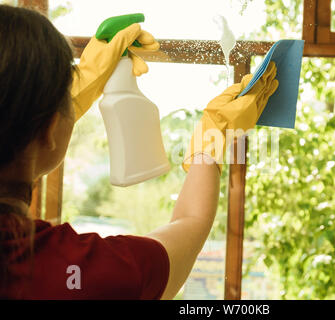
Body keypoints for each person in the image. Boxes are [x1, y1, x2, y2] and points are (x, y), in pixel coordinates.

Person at [0, 5, 278, 299]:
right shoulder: (82, 273)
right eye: (67, 100)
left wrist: (44, 106)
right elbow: (191, 224)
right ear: (48, 129)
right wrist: (213, 136)